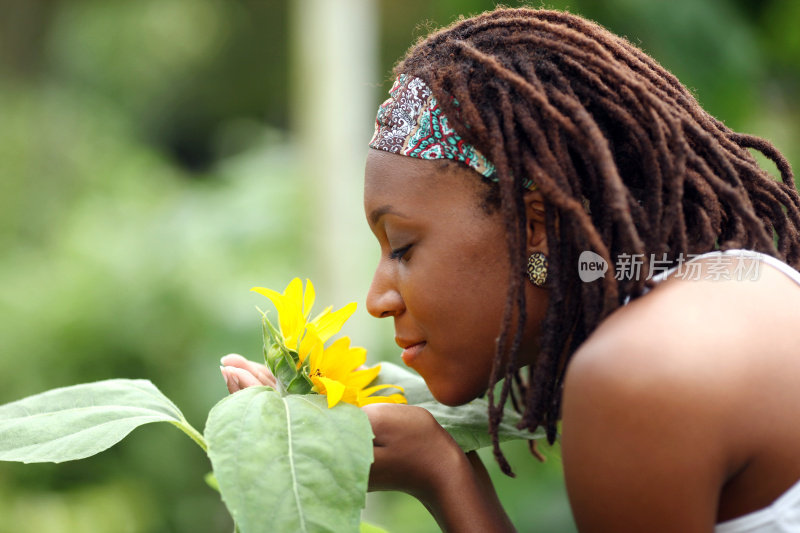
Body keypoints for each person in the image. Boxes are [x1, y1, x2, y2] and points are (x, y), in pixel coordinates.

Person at [221, 7, 800, 532]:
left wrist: (443, 477)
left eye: (401, 247)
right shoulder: (737, 287)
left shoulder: (638, 377)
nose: (378, 299)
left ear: (536, 226)